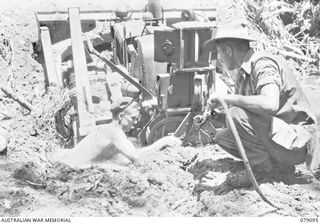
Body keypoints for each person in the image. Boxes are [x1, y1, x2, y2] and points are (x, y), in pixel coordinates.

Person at [204, 21, 320, 186]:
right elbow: (245, 124)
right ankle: (277, 166)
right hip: (281, 137)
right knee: (223, 137)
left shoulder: (263, 63)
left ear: (229, 51)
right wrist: (217, 116)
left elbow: (269, 104)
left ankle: (261, 171)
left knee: (236, 112)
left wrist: (228, 99)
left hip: (298, 143)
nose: (219, 59)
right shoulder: (242, 75)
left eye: (219, 54)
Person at [59, 96, 182, 168]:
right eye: (133, 118)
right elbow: (137, 157)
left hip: (67, 163)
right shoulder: (114, 132)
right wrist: (165, 141)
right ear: (122, 116)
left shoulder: (107, 129)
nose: (135, 123)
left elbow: (121, 158)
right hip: (69, 167)